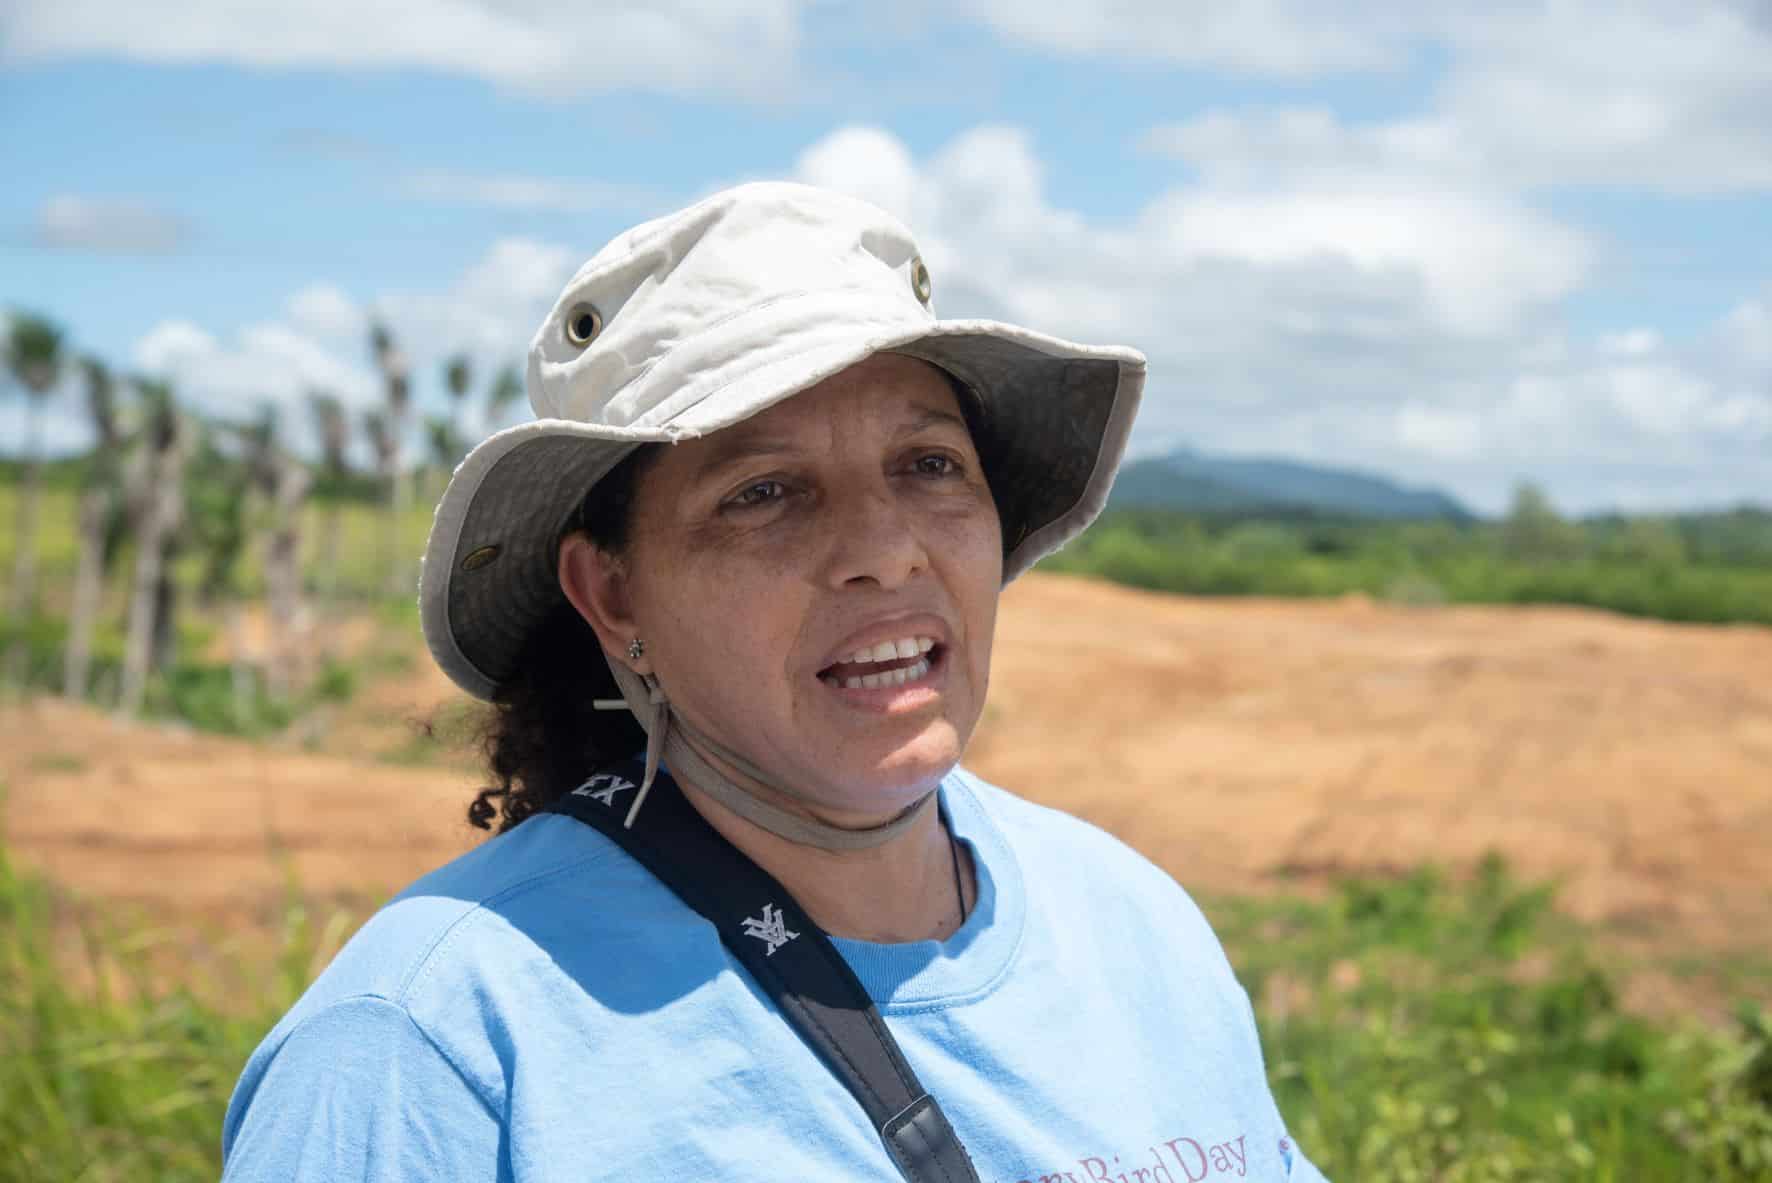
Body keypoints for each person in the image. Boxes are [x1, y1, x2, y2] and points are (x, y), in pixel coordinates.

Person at [221, 182, 1329, 1182]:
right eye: (762, 491)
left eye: (928, 464)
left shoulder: (1131, 923)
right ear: (611, 595)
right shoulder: (435, 1044)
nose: (884, 549)